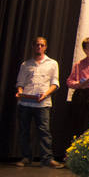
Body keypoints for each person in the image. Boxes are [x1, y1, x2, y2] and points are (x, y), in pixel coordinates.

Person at [15, 37, 63, 168]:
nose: (39, 47)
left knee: (44, 132)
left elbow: (55, 83)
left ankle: (47, 159)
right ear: (33, 46)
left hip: (42, 103)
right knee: (24, 131)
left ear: (46, 47)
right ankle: (26, 157)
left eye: (42, 45)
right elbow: (20, 83)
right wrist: (19, 92)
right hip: (25, 103)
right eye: (37, 45)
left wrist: (46, 94)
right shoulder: (26, 64)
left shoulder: (52, 63)